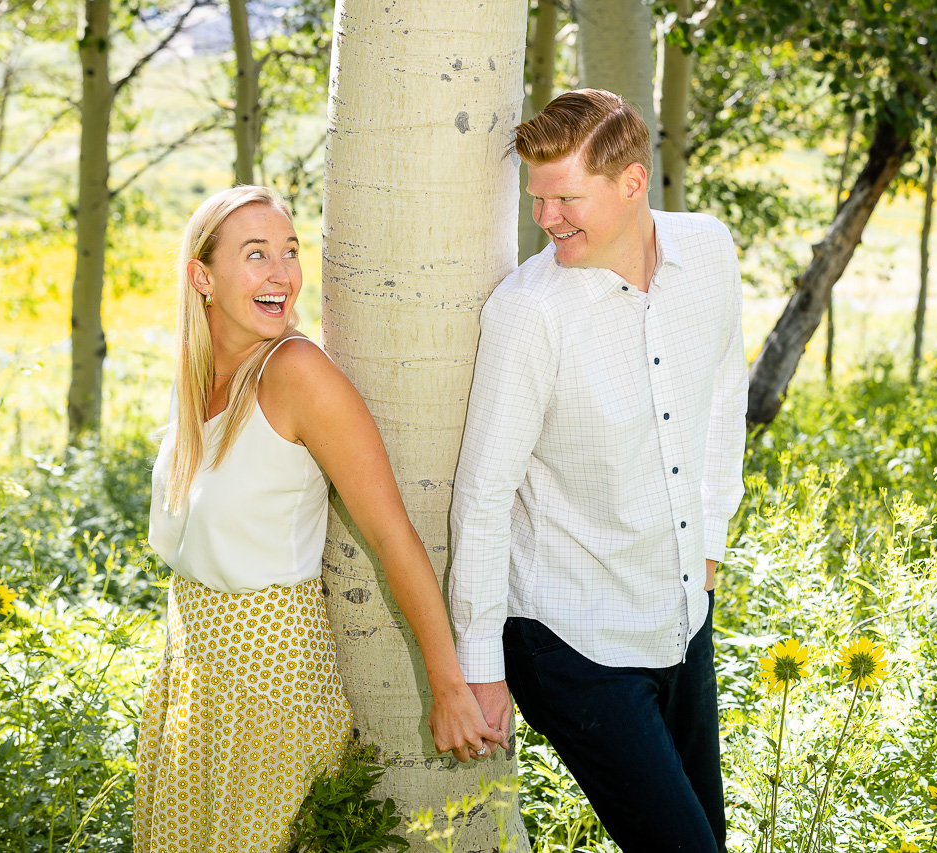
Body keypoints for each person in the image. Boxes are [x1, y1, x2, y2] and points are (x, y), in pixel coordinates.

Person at [135, 185, 504, 852]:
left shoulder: (297, 372)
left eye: (289, 251)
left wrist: (450, 683)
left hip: (271, 679)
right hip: (191, 672)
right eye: (256, 255)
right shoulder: (196, 378)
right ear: (202, 277)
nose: (281, 274)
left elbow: (392, 531)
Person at [449, 89, 749, 852]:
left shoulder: (708, 251)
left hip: (683, 611)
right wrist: (481, 666)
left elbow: (723, 395)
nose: (548, 219)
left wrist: (709, 539)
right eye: (538, 198)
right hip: (571, 638)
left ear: (632, 182)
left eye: (566, 198)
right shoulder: (530, 312)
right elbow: (483, 496)